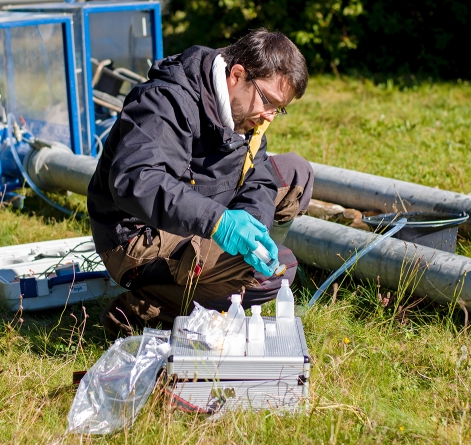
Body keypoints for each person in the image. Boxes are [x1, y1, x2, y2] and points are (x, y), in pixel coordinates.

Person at [87, 29, 314, 335]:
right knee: (275, 274)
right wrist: (220, 222)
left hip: (197, 206)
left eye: (279, 108)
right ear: (237, 75)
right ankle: (146, 309)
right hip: (138, 235)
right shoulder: (167, 99)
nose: (270, 116)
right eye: (268, 102)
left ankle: (218, 277)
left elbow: (257, 176)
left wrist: (253, 224)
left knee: (296, 172)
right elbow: (136, 181)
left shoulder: (244, 107)